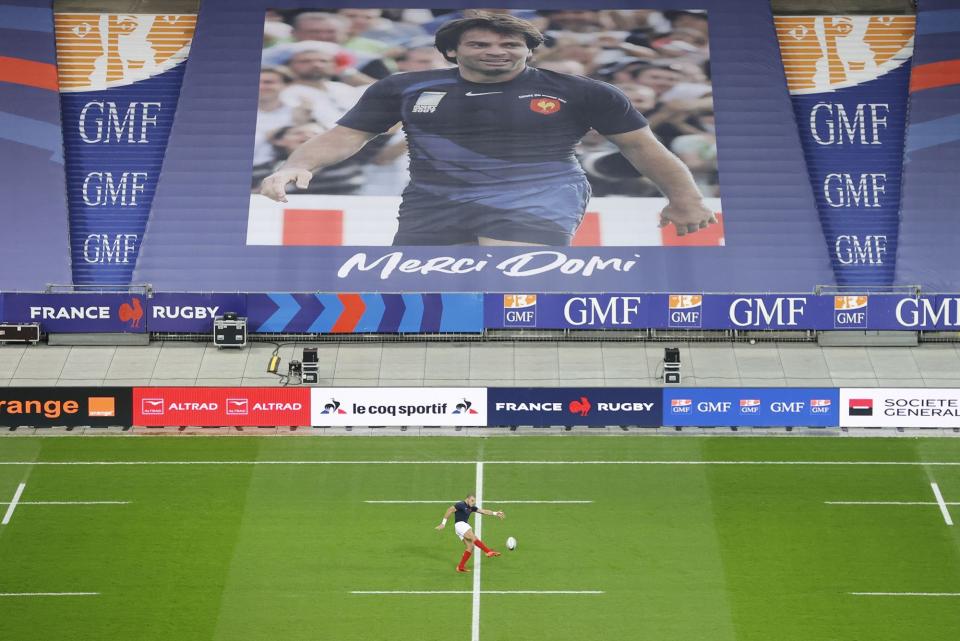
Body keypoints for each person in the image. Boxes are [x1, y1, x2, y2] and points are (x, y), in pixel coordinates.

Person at [260, 13, 716, 243]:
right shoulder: (403, 87)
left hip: (538, 194)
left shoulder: (584, 91)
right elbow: (346, 135)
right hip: (432, 199)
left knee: (509, 281)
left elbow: (641, 147)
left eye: (509, 44)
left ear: (529, 50)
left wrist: (685, 197)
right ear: (453, 52)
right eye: (478, 43)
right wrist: (295, 166)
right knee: (429, 296)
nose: (495, 51)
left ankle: (525, 376)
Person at [435, 493, 504, 573]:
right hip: (460, 525)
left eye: (474, 502)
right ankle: (488, 551)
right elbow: (450, 510)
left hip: (460, 528)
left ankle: (460, 567)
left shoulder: (471, 507)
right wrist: (443, 523)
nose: (473, 503)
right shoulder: (460, 504)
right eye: (472, 500)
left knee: (470, 547)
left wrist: (495, 513)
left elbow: (484, 511)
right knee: (473, 537)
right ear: (467, 499)